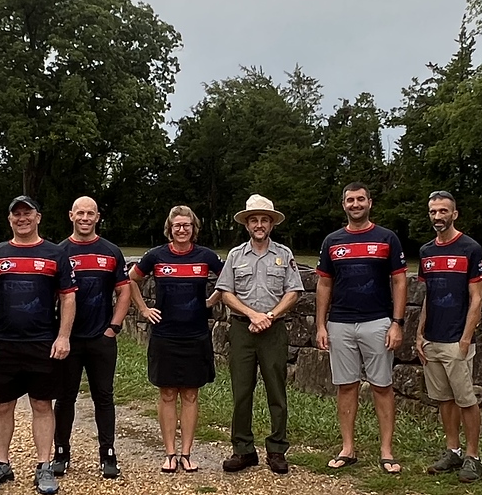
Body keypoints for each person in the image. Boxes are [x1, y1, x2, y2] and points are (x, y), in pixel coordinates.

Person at [0, 195, 76, 495]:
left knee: (42, 404)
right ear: (10, 219)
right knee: (3, 404)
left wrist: (63, 336)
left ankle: (44, 465)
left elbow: (68, 296)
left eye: (27, 213)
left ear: (38, 217)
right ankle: (2, 463)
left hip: (43, 342)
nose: (22, 218)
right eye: (16, 214)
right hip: (4, 342)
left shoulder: (55, 254)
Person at [314, 182, 407, 473]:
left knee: (382, 386)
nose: (355, 204)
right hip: (340, 322)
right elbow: (324, 284)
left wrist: (397, 323)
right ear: (344, 204)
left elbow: (399, 281)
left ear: (370, 202)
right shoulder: (333, 241)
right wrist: (320, 325)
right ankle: (348, 448)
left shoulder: (387, 238)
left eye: (360, 199)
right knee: (346, 386)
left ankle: (387, 451)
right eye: (350, 200)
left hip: (377, 322)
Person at [128, 205, 223, 473]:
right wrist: (144, 309)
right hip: (165, 335)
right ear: (169, 229)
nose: (182, 230)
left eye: (187, 225)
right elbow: (131, 280)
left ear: (194, 228)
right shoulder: (156, 256)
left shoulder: (205, 256)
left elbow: (229, 280)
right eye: (177, 225)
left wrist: (211, 300)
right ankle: (170, 453)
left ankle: (186, 453)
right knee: (168, 393)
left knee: (191, 394)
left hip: (196, 335)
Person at [216, 195, 301, 475]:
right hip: (242, 329)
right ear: (247, 225)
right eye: (254, 220)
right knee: (241, 391)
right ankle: (243, 450)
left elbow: (293, 292)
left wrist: (269, 316)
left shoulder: (284, 254)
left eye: (265, 220)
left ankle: (277, 449)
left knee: (276, 390)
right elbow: (226, 293)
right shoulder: (236, 256)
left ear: (272, 224)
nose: (259, 225)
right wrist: (252, 315)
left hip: (273, 330)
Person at [52, 196, 131, 480]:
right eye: (80, 213)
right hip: (69, 340)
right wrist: (57, 334)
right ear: (71, 215)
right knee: (65, 398)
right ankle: (61, 453)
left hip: (101, 337)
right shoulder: (59, 252)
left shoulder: (110, 251)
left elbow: (124, 290)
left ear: (97, 217)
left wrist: (114, 328)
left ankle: (108, 454)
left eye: (90, 213)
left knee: (104, 397)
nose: (85, 218)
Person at [416, 191, 482, 481]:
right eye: (433, 211)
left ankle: (473, 457)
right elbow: (428, 295)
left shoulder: (470, 248)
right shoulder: (426, 252)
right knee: (444, 399)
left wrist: (466, 338)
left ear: (454, 214)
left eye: (443, 211)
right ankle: (453, 451)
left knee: (466, 399)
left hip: (457, 339)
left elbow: (477, 298)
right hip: (432, 338)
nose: (438, 216)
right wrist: (419, 334)